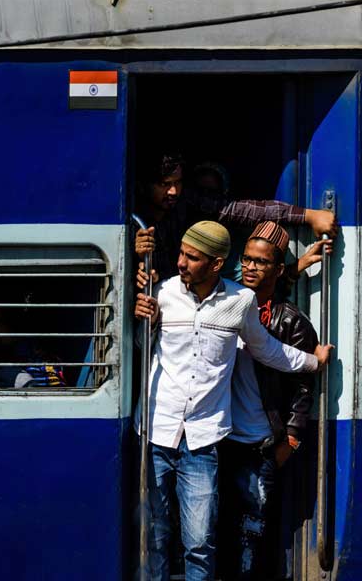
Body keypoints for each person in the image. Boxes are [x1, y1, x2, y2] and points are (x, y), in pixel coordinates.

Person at [134, 220, 333, 581]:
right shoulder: (161, 293)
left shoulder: (240, 303)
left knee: (199, 542)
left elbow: (268, 349)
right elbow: (138, 349)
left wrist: (313, 362)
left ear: (216, 264)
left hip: (203, 441)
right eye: (180, 253)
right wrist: (141, 322)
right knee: (155, 536)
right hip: (155, 433)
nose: (181, 263)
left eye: (192, 257)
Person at [218, 221, 330, 580]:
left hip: (260, 444)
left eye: (261, 262)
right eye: (247, 259)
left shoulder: (291, 322)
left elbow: (303, 389)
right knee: (212, 530)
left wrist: (292, 440)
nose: (250, 267)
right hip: (217, 437)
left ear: (277, 269)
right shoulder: (225, 305)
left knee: (253, 534)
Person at [132, 154, 337, 281]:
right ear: (143, 185)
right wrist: (139, 265)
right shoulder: (131, 221)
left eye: (178, 182)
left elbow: (245, 210)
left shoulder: (188, 201)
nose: (173, 191)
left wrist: (308, 215)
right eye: (164, 184)